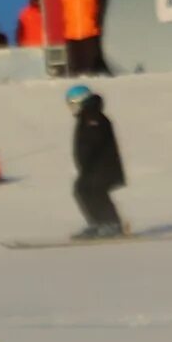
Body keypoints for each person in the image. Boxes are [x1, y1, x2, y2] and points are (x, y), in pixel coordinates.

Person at [65, 83, 128, 238]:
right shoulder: (88, 116)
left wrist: (87, 159)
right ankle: (98, 223)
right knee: (83, 190)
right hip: (93, 168)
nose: (71, 109)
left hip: (102, 167)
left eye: (72, 104)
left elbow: (93, 141)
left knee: (94, 191)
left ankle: (111, 224)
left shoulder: (93, 116)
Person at [54, 0, 106, 76]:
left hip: (91, 35)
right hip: (71, 37)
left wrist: (99, 25)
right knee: (75, 70)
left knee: (92, 69)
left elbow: (102, 8)